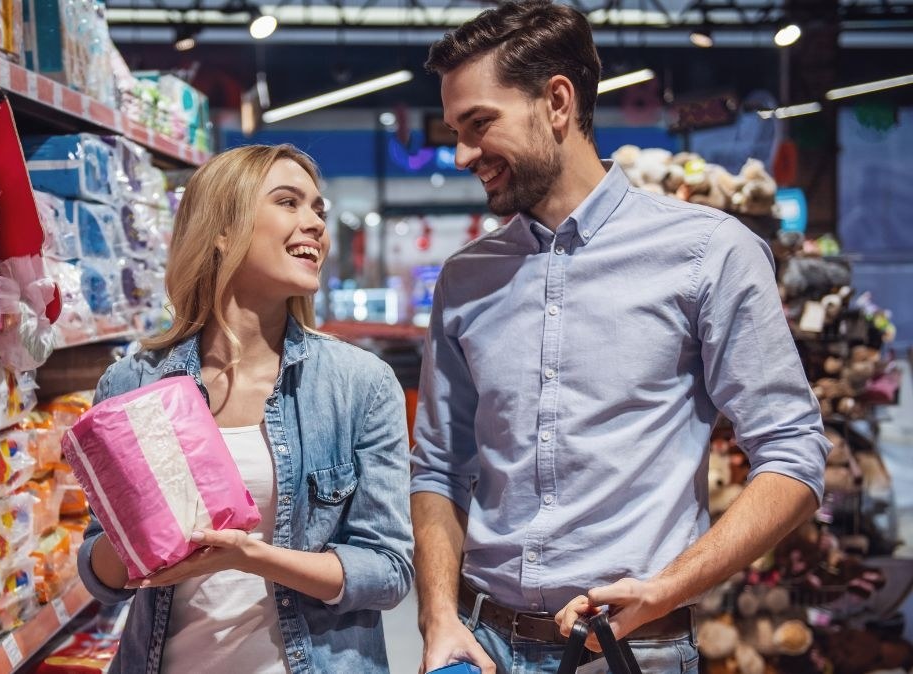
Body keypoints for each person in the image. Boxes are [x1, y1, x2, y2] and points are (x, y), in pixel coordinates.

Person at [410, 2, 829, 672]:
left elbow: (794, 453)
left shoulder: (708, 252)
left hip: (633, 650)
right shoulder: (465, 279)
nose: (462, 154)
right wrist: (436, 618)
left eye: (479, 124)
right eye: (456, 130)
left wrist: (671, 586)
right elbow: (439, 467)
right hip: (480, 645)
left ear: (556, 101)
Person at [76, 144, 414, 673]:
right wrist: (138, 532)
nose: (315, 225)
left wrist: (250, 557)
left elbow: (388, 571)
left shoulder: (358, 384)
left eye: (317, 210)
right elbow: (101, 572)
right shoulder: (134, 382)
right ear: (222, 228)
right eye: (289, 203)